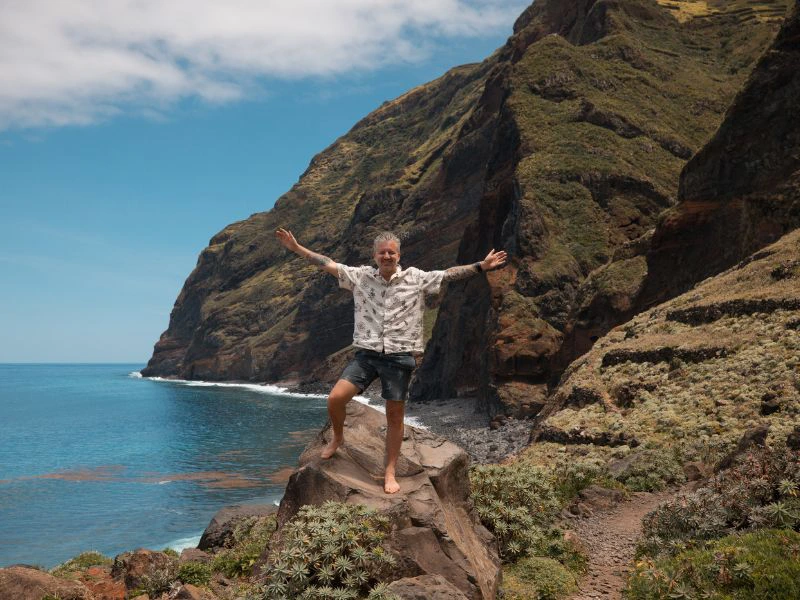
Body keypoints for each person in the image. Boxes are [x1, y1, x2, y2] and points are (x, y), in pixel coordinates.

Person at [275, 228, 507, 494]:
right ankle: (338, 437)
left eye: (391, 252)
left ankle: (390, 472)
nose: (387, 256)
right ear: (375, 255)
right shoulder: (360, 276)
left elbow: (448, 275)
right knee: (335, 398)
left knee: (395, 417)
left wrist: (480, 266)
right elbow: (327, 263)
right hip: (367, 354)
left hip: (399, 356)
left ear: (399, 255)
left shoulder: (416, 278)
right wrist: (297, 248)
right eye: (382, 252)